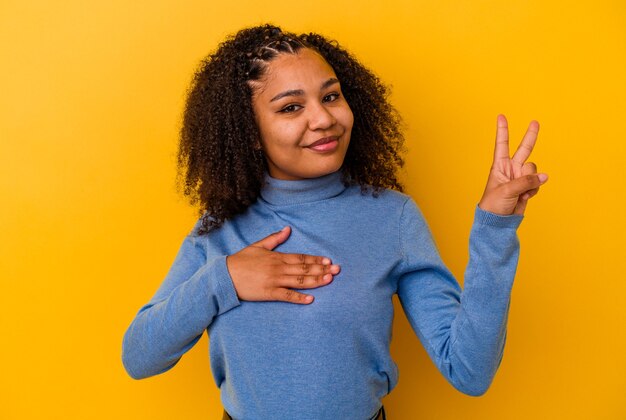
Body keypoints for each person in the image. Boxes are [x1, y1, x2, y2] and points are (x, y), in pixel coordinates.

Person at [122, 24, 548, 419]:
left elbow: (469, 371)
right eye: (291, 107)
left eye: (330, 96)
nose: (324, 119)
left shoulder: (392, 217)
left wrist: (494, 228)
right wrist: (224, 279)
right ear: (249, 131)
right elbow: (139, 356)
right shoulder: (218, 230)